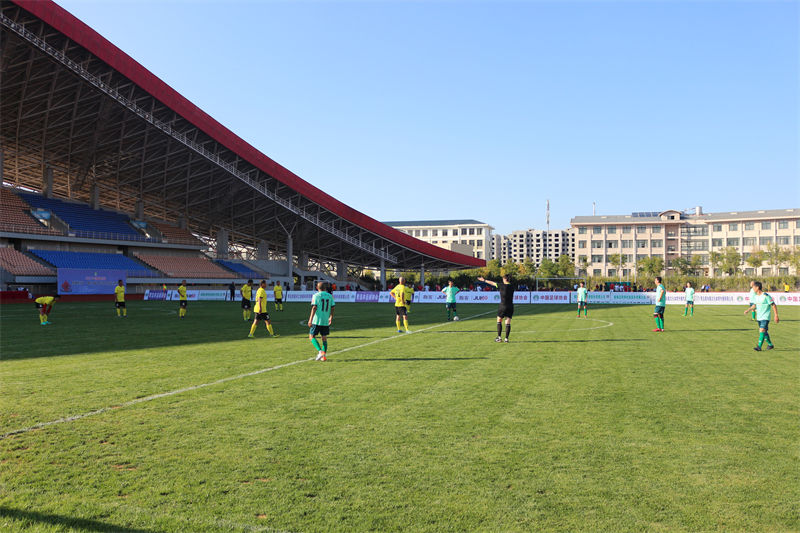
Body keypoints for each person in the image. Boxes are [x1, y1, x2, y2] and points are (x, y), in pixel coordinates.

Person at [478, 274, 514, 343]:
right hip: (510, 306)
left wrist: (484, 280)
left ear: (504, 279)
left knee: (499, 321)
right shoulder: (512, 286)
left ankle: (499, 338)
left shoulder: (501, 285)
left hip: (503, 305)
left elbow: (492, 283)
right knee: (508, 322)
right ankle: (506, 339)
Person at [744, 281, 779, 351]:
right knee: (764, 332)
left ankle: (759, 347)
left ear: (757, 287)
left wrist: (776, 315)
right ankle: (770, 345)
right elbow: (754, 305)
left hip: (765, 317)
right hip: (759, 317)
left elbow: (773, 305)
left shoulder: (766, 295)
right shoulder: (756, 296)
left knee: (761, 330)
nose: (752, 288)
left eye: (753, 287)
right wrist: (748, 310)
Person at [308, 281, 335, 361]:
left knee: (311, 336)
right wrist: (330, 317)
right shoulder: (330, 296)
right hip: (325, 320)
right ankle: (323, 357)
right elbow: (333, 308)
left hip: (317, 320)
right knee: (324, 338)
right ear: (325, 288)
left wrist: (310, 319)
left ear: (317, 288)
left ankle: (320, 352)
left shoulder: (316, 295)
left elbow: (314, 307)